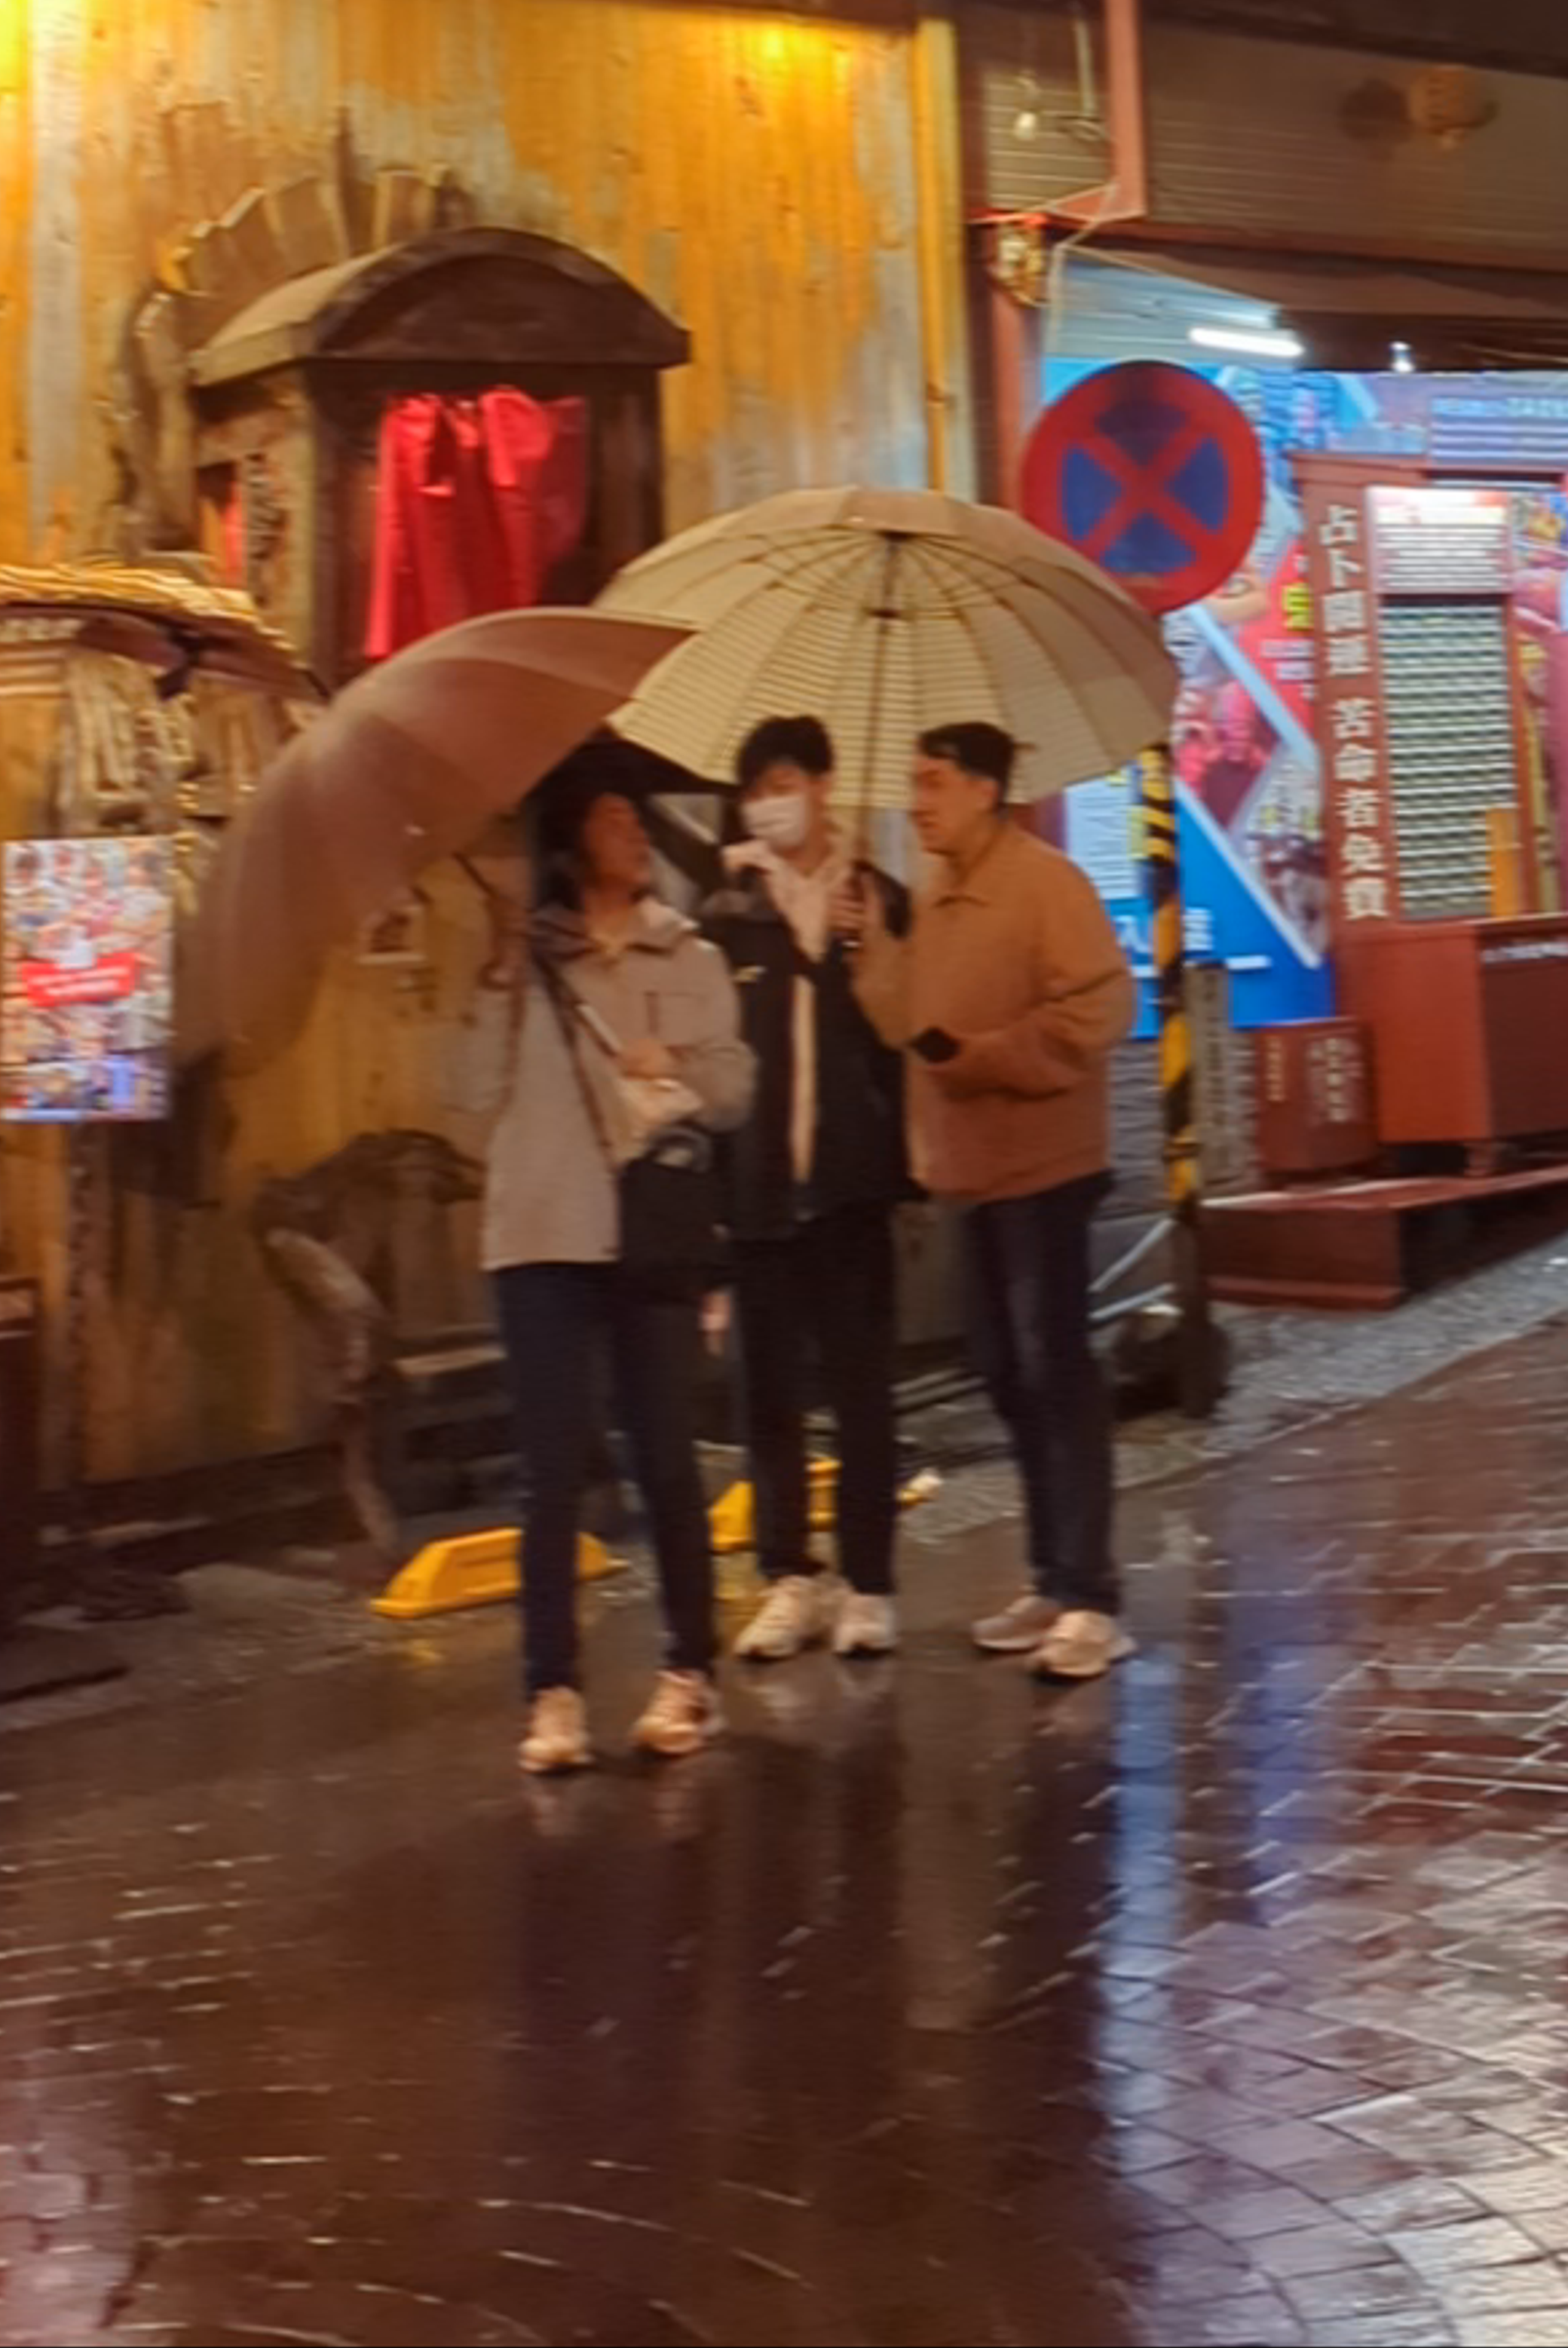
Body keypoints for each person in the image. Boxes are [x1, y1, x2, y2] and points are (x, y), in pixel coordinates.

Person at [467, 743, 752, 1777]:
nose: (634, 829)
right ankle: (553, 1688)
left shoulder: (691, 952)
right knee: (549, 1476)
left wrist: (668, 1059)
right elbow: (458, 1096)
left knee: (667, 1459)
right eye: (612, 816)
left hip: (653, 1232)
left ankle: (691, 1670)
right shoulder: (517, 964)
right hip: (538, 1233)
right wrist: (491, 975)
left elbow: (735, 1089)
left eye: (639, 816)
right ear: (569, 838)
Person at [853, 720, 1138, 1683]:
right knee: (1005, 1374)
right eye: (913, 780)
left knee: (1054, 1368)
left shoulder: (1045, 882)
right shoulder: (936, 896)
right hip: (972, 1176)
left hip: (1047, 1167)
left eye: (931, 781)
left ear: (985, 788)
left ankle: (1094, 1594)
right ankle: (1053, 1576)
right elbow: (909, 1024)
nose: (918, 800)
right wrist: (875, 945)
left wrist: (987, 1059)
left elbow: (1101, 1009)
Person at [701, 713, 908, 1668]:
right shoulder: (725, 914)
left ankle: (868, 1581)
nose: (769, 802)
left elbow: (907, 1032)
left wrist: (875, 952)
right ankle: (789, 1575)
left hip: (854, 1188)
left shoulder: (883, 898)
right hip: (757, 1193)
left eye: (784, 780)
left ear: (824, 783)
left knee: (865, 1390)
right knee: (768, 1393)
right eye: (755, 789)